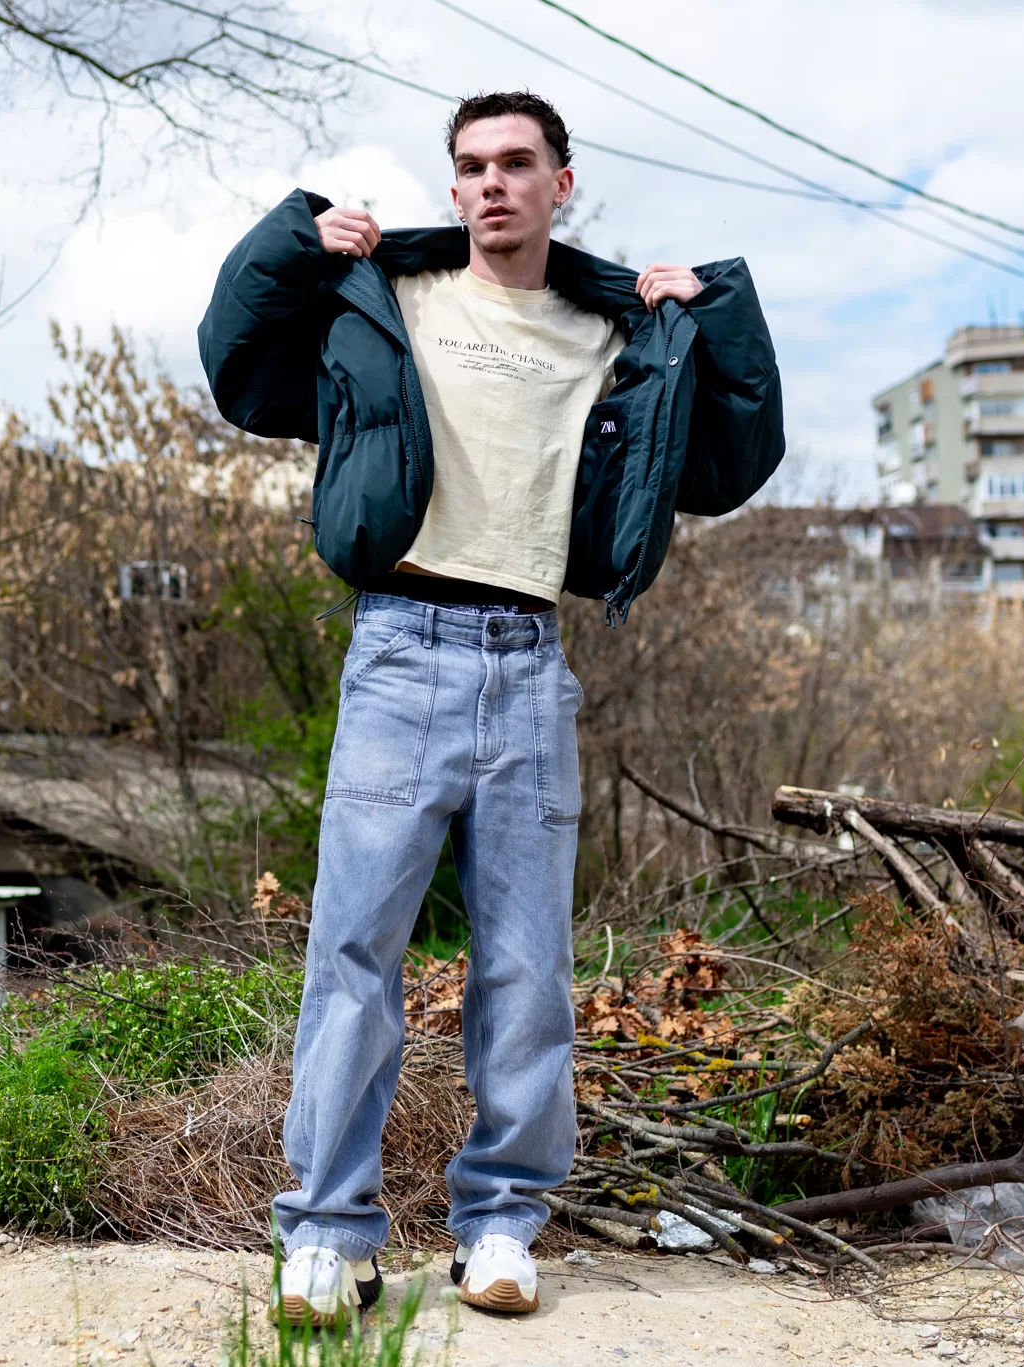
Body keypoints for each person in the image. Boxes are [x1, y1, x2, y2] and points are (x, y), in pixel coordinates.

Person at [199, 89, 785, 1325]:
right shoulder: (387, 299)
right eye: (470, 167)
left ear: (560, 182)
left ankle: (503, 1223)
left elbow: (728, 469)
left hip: (529, 663)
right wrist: (294, 242)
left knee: (525, 965)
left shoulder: (612, 328)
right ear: (452, 186)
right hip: (396, 648)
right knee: (352, 949)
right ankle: (325, 1231)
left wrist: (710, 313)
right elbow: (240, 376)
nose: (491, 185)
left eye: (517, 164)